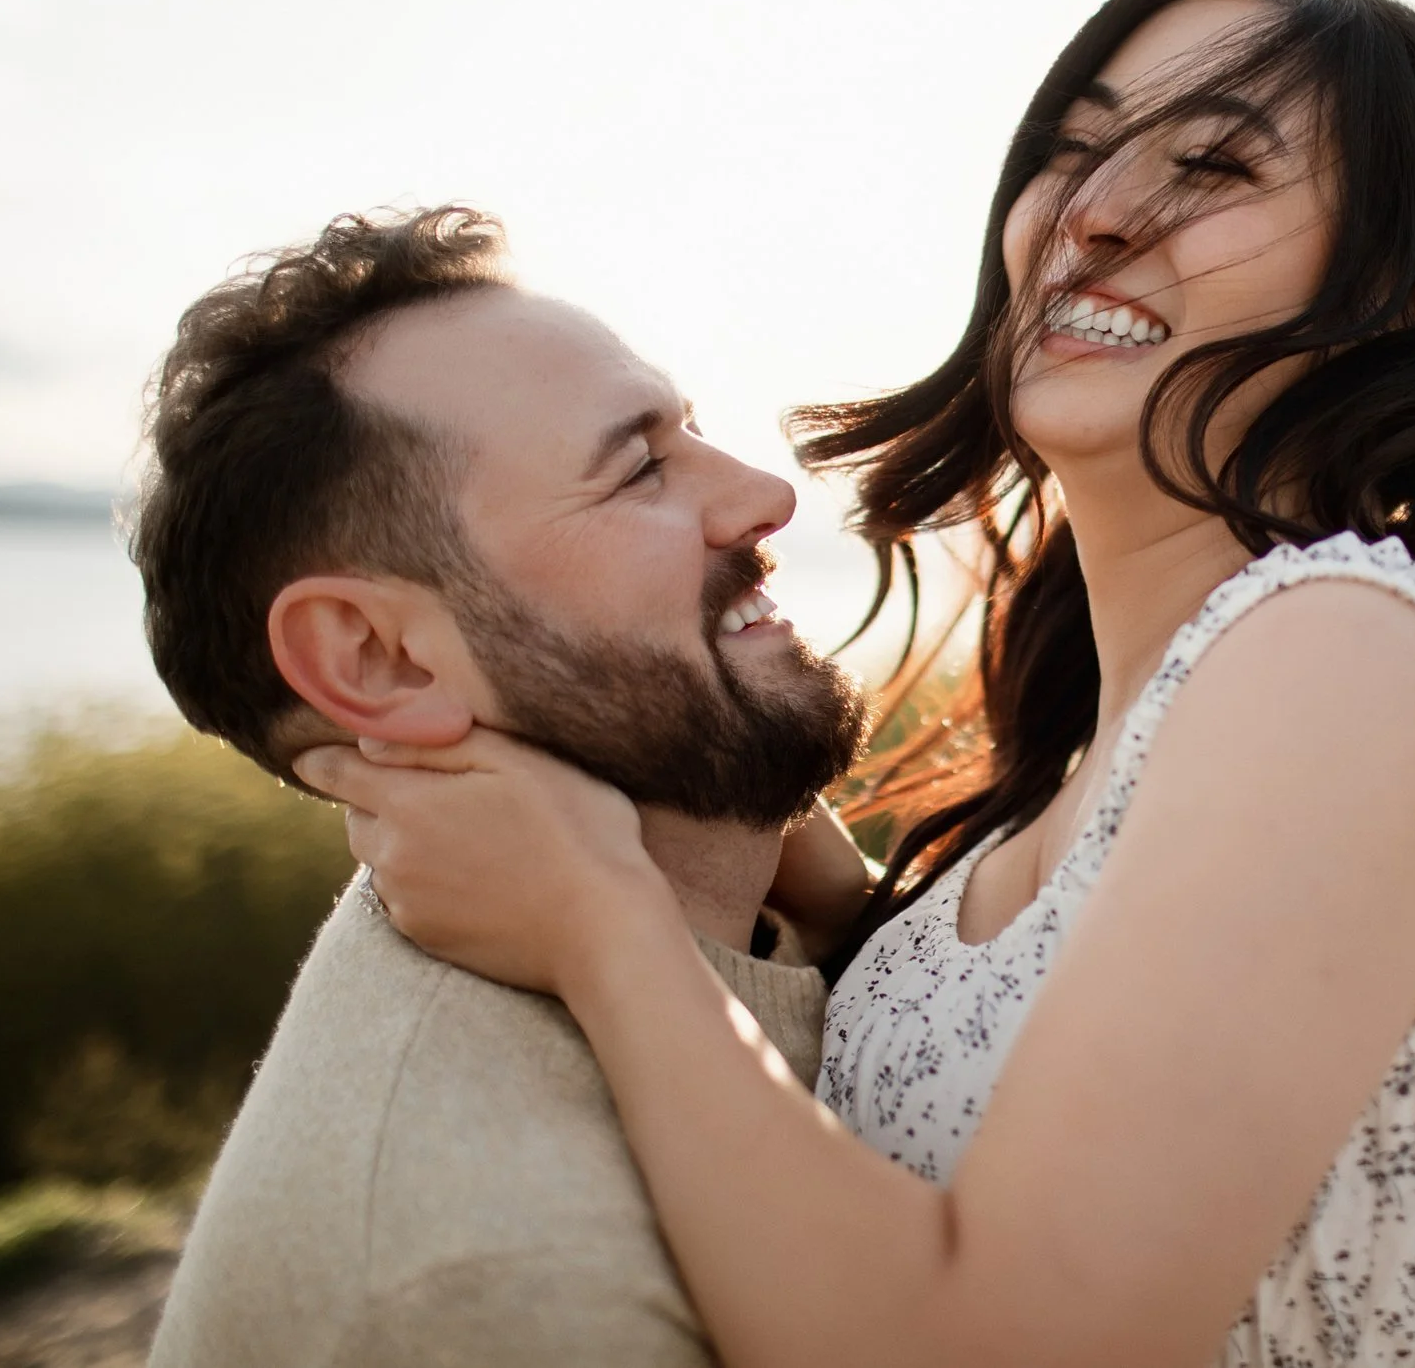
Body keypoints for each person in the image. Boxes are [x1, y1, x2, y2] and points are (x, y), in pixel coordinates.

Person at [301, 0, 1415, 1367]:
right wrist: (825, 886)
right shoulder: (1123, 739)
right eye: (1076, 150)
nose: (1096, 214)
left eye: (1210, 167)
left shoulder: (1348, 654)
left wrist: (597, 925)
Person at [131, 207, 870, 1367]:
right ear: (380, 658)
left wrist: (856, 916)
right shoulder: (505, 1292)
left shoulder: (765, 921)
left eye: (692, 430)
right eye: (636, 467)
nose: (764, 495)